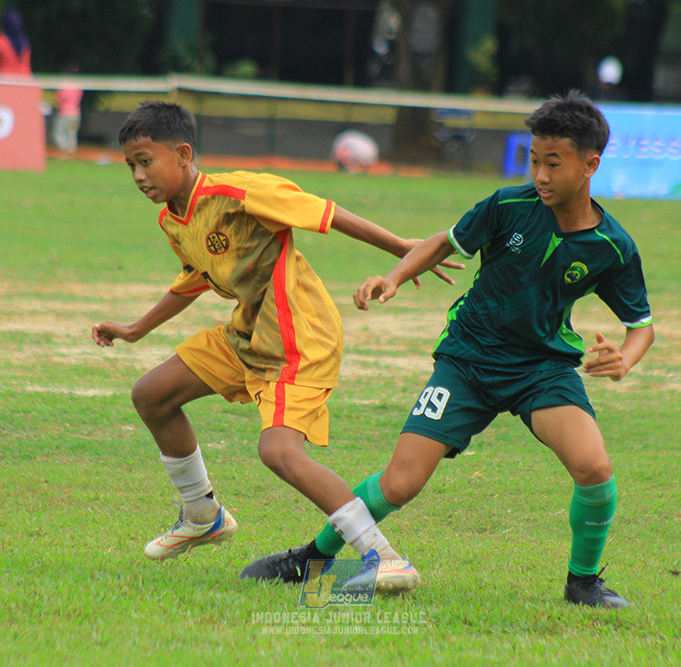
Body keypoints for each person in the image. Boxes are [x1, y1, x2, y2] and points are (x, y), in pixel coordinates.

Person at [241, 92, 655, 608]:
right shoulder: (508, 206)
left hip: (542, 368)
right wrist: (392, 277)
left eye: (554, 162)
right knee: (400, 482)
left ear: (590, 164)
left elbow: (641, 324)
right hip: (467, 360)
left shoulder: (613, 245)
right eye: (534, 160)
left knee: (593, 467)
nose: (541, 174)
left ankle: (584, 582)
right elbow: (443, 241)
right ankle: (311, 558)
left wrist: (626, 358)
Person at [91, 101, 461, 567]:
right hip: (249, 333)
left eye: (145, 162)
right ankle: (202, 514)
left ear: (183, 154)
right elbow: (196, 278)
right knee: (152, 394)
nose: (138, 176)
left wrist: (402, 247)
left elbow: (325, 212)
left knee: (279, 452)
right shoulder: (173, 218)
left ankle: (381, 556)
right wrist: (134, 330)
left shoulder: (238, 192)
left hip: (299, 333)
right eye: (130, 166)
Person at [51, 63, 83, 158]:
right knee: (71, 133)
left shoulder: (63, 85)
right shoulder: (79, 85)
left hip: (64, 112)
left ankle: (63, 151)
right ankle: (71, 152)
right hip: (76, 112)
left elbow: (59, 99)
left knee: (59, 132)